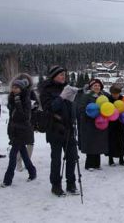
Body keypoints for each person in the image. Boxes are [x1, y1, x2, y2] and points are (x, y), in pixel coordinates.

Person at [39, 66, 79, 196]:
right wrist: (61, 97)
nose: (63, 77)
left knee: (72, 157)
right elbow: (49, 109)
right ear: (54, 76)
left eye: (64, 74)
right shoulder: (46, 90)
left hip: (69, 128)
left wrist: (72, 105)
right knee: (56, 159)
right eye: (61, 74)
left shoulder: (67, 88)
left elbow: (71, 108)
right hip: (55, 128)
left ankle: (71, 183)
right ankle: (56, 185)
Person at [1, 78, 36, 187]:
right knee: (24, 154)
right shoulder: (12, 98)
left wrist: (18, 103)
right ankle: (32, 172)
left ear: (21, 89)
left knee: (13, 155)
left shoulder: (25, 100)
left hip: (22, 130)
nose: (14, 89)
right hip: (14, 130)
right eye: (13, 87)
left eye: (16, 87)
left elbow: (25, 116)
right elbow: (12, 117)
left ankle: (7, 180)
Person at [79, 79, 109, 170]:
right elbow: (81, 109)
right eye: (95, 86)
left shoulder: (103, 96)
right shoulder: (86, 96)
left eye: (98, 86)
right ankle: (89, 165)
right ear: (91, 87)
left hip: (100, 123)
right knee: (91, 144)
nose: (97, 87)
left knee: (99, 144)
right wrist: (90, 113)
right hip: (89, 123)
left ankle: (97, 164)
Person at [13, 73, 37, 172]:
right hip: (17, 123)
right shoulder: (14, 94)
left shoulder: (31, 93)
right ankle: (18, 162)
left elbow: (37, 103)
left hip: (29, 121)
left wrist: (33, 107)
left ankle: (28, 161)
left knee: (30, 142)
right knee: (18, 144)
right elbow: (11, 107)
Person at [107, 84, 124, 166]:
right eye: (114, 93)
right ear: (111, 93)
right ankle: (110, 160)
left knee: (121, 141)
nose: (115, 95)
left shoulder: (123, 99)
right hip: (111, 124)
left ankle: (121, 159)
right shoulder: (108, 100)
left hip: (121, 123)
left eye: (117, 93)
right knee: (111, 141)